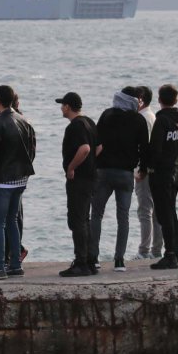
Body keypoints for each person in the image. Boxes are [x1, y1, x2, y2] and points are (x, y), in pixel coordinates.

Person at [90, 88, 149, 272]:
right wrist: (143, 170)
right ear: (133, 101)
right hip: (125, 173)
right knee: (123, 217)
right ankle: (119, 261)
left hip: (103, 171)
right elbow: (144, 148)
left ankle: (93, 258)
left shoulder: (106, 115)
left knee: (96, 215)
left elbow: (95, 142)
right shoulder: (138, 119)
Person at [0, 85, 35, 280]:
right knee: (12, 220)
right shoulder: (23, 120)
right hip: (20, 178)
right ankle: (15, 265)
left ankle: (0, 267)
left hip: (3, 180)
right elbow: (32, 149)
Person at [146, 84, 178, 270]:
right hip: (175, 170)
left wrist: (147, 167)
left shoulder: (161, 121)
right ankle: (175, 252)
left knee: (164, 213)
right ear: (176, 100)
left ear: (159, 100)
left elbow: (155, 148)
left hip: (161, 173)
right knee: (171, 211)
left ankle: (170, 254)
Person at [57, 92, 98, 277]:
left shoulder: (75, 126)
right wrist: (90, 162)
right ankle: (89, 260)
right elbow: (99, 147)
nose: (61, 108)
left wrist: (72, 167)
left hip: (79, 179)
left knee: (77, 220)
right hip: (90, 177)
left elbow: (86, 148)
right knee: (85, 219)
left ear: (68, 107)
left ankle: (81, 262)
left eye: (62, 105)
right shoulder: (89, 122)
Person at [134, 86, 163, 260]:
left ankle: (144, 250)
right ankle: (156, 249)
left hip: (144, 171)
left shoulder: (143, 118)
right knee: (155, 210)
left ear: (141, 99)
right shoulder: (152, 116)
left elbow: (143, 147)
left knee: (145, 210)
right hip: (155, 169)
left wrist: (141, 169)